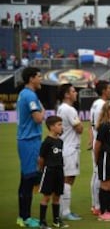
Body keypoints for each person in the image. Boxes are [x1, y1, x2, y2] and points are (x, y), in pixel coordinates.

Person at [16, 67, 45, 228]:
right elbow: (39, 118)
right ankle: (25, 218)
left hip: (27, 140)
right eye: (39, 76)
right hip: (29, 141)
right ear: (31, 78)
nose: (41, 79)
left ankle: (23, 216)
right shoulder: (30, 95)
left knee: (26, 180)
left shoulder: (23, 94)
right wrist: (42, 110)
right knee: (28, 180)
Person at [57, 84, 83, 220]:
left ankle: (63, 210)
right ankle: (65, 212)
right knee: (68, 179)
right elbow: (79, 128)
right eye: (73, 91)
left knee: (66, 179)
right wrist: (80, 125)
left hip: (64, 146)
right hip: (70, 148)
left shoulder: (60, 108)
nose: (76, 93)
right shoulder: (70, 109)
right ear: (67, 94)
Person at [38, 116, 68, 229]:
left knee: (57, 196)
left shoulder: (60, 141)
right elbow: (41, 159)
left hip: (59, 171)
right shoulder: (47, 142)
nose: (61, 127)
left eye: (61, 124)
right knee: (47, 196)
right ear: (51, 127)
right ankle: (42, 222)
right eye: (59, 125)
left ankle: (56, 220)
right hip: (49, 171)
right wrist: (42, 170)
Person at [89, 80, 110, 216]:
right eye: (109, 88)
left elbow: (92, 125)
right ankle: (97, 205)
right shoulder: (102, 105)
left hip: (99, 141)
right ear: (104, 91)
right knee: (99, 174)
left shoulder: (96, 104)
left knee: (98, 173)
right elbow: (99, 125)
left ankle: (97, 204)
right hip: (102, 143)